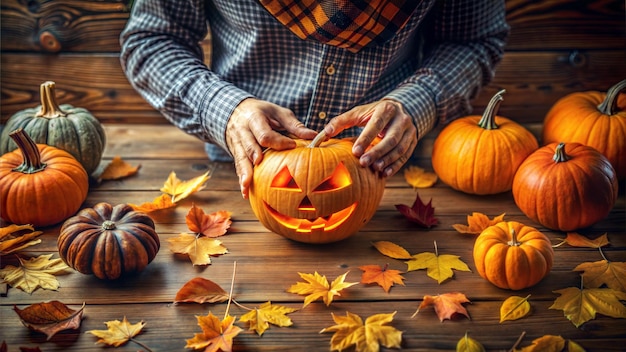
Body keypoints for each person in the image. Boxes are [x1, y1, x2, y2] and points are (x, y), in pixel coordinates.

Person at [120, 0, 509, 198]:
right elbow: (152, 40)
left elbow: (470, 40)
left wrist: (418, 102)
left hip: (390, 170)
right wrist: (226, 109)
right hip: (239, 174)